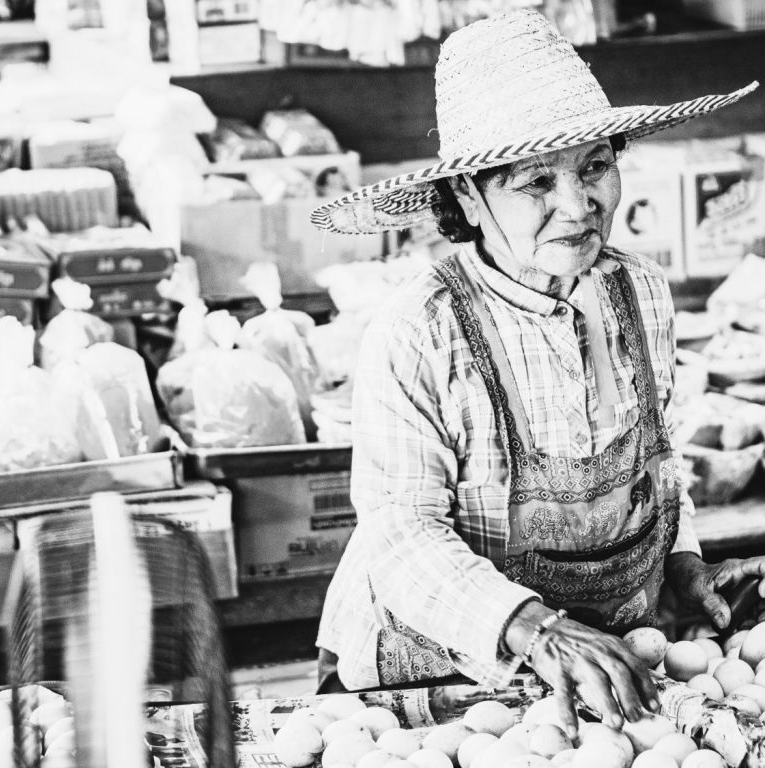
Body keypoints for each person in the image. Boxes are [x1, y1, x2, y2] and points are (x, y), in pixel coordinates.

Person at [310, 9, 761, 737]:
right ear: (467, 199)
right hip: (445, 679)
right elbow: (401, 535)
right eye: (535, 182)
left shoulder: (638, 292)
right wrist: (534, 629)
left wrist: (685, 567)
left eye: (594, 167)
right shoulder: (421, 328)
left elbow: (660, 462)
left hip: (607, 679)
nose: (579, 207)